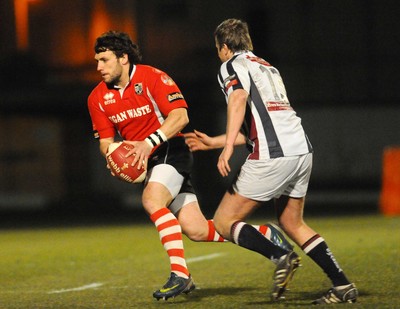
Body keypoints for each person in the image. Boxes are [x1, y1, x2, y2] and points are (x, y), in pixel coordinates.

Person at [87, 30, 294, 301]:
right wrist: (114, 157)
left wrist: (148, 143)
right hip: (146, 161)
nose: (99, 67)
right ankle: (266, 235)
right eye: (97, 61)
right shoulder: (97, 97)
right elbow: (105, 142)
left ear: (123, 58)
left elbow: (180, 116)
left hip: (171, 150)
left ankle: (181, 275)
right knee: (196, 230)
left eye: (104, 60)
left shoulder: (153, 77)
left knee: (152, 200)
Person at [185, 18, 358, 304]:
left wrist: (226, 148)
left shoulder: (230, 65)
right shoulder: (268, 67)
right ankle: (342, 285)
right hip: (301, 151)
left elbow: (238, 99)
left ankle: (281, 256)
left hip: (274, 155)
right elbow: (265, 121)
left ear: (224, 47)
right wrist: (216, 141)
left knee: (225, 221)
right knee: (292, 222)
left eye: (218, 49)